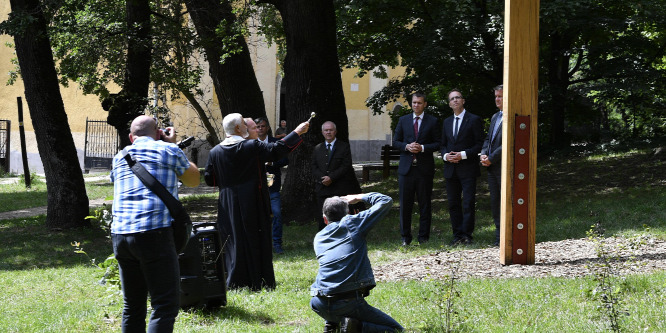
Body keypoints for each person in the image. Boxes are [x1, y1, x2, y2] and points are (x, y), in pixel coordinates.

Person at [110, 115, 200, 332]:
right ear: (158, 133)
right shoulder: (168, 150)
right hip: (154, 233)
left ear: (131, 137)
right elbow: (194, 180)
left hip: (120, 235)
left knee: (132, 305)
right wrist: (169, 143)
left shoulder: (119, 157)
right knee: (164, 304)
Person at [204, 113, 309, 291]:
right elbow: (276, 151)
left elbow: (210, 179)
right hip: (252, 199)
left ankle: (235, 281)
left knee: (232, 239)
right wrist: (297, 133)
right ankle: (258, 280)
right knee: (255, 238)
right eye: (244, 126)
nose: (247, 128)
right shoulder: (251, 146)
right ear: (238, 128)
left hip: (227, 203)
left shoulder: (215, 152)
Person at [310, 192, 404, 333]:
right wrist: (359, 197)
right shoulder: (353, 223)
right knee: (395, 330)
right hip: (347, 302)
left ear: (325, 219)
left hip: (318, 302)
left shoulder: (318, 237)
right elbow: (386, 201)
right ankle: (355, 328)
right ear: (348, 213)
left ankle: (333, 323)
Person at [392, 93, 441, 246]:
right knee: (405, 205)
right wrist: (406, 146)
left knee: (425, 204)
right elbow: (395, 141)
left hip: (424, 169)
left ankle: (423, 237)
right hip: (406, 170)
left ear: (425, 104)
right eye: (414, 103)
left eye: (419, 103)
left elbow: (439, 143)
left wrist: (423, 148)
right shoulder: (403, 120)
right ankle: (405, 237)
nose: (416, 105)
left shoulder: (432, 121)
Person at [440, 89, 485, 245]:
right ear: (449, 103)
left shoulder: (474, 119)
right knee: (453, 203)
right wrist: (446, 156)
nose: (455, 100)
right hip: (450, 169)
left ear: (463, 101)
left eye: (458, 97)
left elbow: (480, 144)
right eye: (452, 99)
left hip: (468, 168)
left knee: (468, 203)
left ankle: (467, 235)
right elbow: (443, 144)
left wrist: (463, 154)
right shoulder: (446, 122)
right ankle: (457, 235)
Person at [311, 121, 362, 230]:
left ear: (335, 132)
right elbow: (314, 167)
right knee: (323, 219)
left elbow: (346, 166)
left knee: (341, 218)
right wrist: (323, 179)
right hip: (323, 189)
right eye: (326, 130)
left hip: (339, 189)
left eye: (331, 130)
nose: (328, 132)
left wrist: (332, 178)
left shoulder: (344, 147)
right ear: (322, 132)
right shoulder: (317, 148)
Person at [255, 117, 290, 254]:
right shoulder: (250, 143)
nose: (260, 129)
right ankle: (260, 245)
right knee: (257, 216)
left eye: (263, 126)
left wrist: (272, 164)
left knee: (276, 214)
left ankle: (277, 244)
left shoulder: (276, 142)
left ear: (268, 128)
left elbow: (285, 159)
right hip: (255, 187)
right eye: (258, 127)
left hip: (273, 186)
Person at [480, 85, 504, 246]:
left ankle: (505, 237)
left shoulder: (512, 117)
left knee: (504, 202)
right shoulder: (495, 116)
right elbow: (488, 139)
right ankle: (498, 238)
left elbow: (509, 142)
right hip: (491, 166)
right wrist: (483, 153)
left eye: (500, 96)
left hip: (502, 165)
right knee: (495, 202)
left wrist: (492, 158)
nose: (497, 99)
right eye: (496, 96)